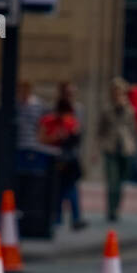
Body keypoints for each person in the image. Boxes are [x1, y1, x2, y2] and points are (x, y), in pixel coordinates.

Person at [40, 93, 86, 230]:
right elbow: (42, 138)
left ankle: (71, 218)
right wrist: (55, 137)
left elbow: (76, 139)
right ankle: (64, 217)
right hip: (55, 160)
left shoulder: (71, 122)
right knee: (61, 189)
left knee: (69, 189)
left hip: (69, 162)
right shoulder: (49, 121)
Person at [96, 78, 137, 222]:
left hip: (125, 148)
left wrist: (133, 146)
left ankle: (117, 207)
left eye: (120, 92)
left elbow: (133, 129)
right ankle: (111, 209)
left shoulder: (129, 109)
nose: (118, 95)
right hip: (111, 147)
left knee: (121, 181)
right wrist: (99, 147)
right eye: (115, 92)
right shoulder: (107, 109)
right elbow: (100, 130)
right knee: (112, 180)